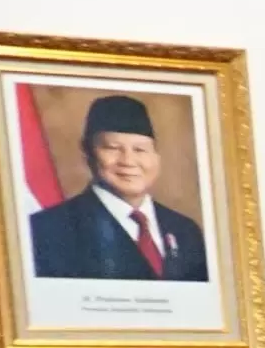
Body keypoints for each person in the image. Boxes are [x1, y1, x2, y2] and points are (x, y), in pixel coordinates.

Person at [24, 94, 210, 284]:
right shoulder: (46, 230)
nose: (128, 162)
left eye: (140, 150)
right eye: (112, 148)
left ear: (156, 157)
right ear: (87, 152)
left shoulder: (185, 231)